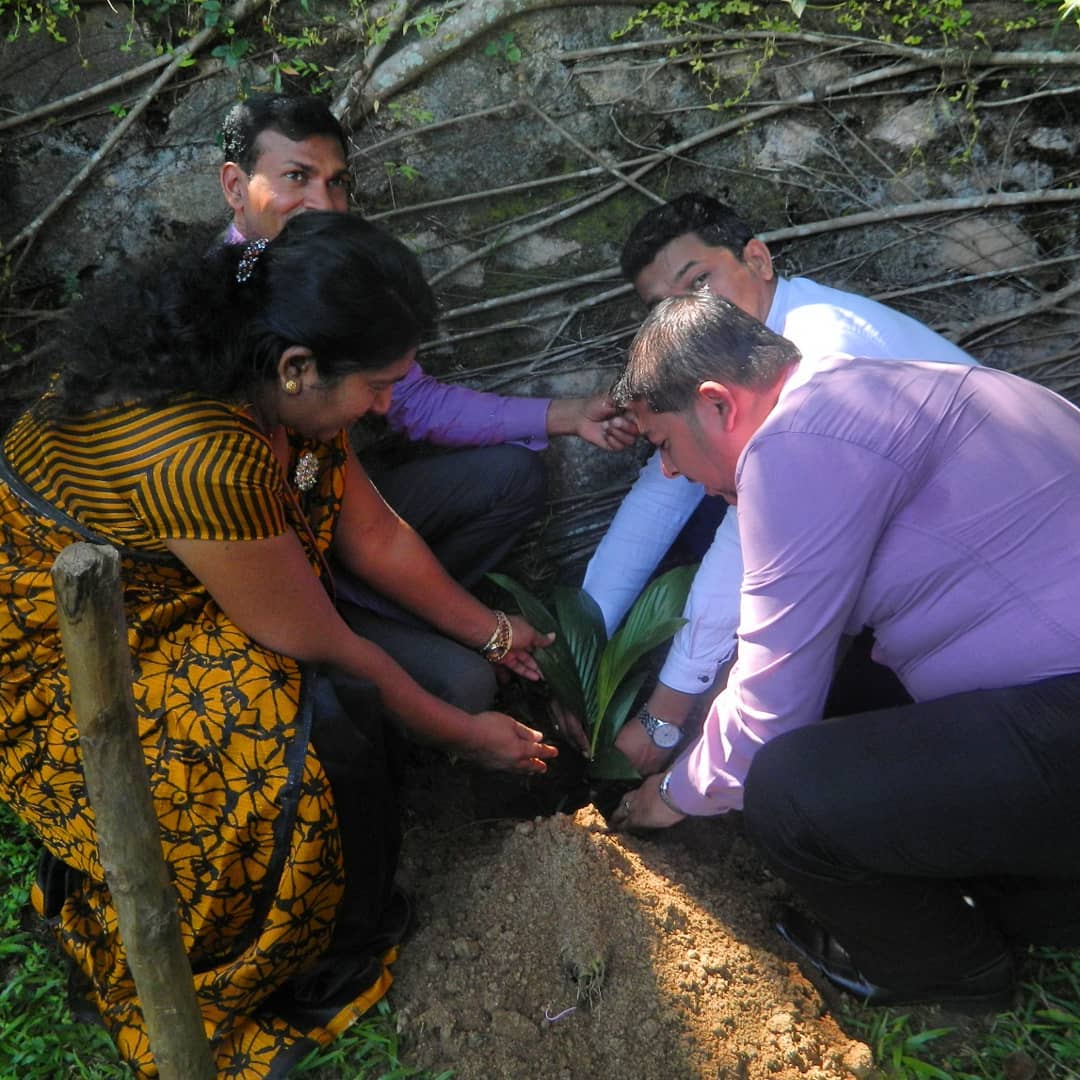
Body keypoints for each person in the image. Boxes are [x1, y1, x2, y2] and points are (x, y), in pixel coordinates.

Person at [0, 212, 558, 1077]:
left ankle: (348, 869)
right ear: (299, 368)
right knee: (303, 725)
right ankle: (295, 942)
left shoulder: (270, 384)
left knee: (426, 686)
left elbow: (375, 537)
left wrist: (492, 630)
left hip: (187, 592)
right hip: (63, 659)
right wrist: (463, 736)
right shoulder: (200, 452)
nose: (386, 407)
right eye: (377, 386)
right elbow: (326, 646)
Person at [609, 291, 1080, 1009]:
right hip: (1052, 679)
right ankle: (1037, 901)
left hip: (1064, 703)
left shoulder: (793, 446)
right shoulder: (874, 386)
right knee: (846, 686)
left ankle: (947, 972)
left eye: (663, 444)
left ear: (715, 404)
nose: (669, 471)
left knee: (785, 788)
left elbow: (768, 714)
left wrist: (669, 796)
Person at [580, 192, 978, 772]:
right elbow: (661, 493)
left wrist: (662, 716)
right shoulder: (725, 354)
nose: (681, 315)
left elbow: (749, 535)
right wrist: (584, 650)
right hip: (905, 533)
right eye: (660, 307)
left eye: (698, 284)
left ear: (759, 260)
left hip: (968, 565)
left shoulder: (819, 360)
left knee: (832, 748)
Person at [219, 93, 637, 596]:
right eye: (297, 177)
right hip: (257, 543)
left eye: (337, 183)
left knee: (511, 477)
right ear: (236, 187)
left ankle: (403, 618)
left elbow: (412, 402)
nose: (325, 205)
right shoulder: (213, 306)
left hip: (347, 504)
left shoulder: (344, 275)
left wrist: (570, 414)